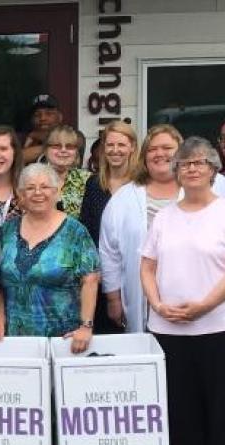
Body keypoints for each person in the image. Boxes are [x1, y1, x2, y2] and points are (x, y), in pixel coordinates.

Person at [140, 136, 225, 445]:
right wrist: (156, 304)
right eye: (184, 164)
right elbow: (147, 265)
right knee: (178, 404)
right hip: (167, 327)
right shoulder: (165, 217)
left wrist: (205, 305)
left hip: (215, 325)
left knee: (216, 403)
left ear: (213, 169)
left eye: (199, 163)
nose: (191, 169)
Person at [0, 163, 99, 352]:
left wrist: (86, 326)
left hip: (63, 339)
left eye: (44, 187)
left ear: (57, 192)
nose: (37, 193)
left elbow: (90, 279)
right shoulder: (7, 230)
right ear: (21, 195)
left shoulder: (75, 231)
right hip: (13, 338)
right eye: (30, 188)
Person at [99, 124, 183, 333]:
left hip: (197, 302)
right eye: (152, 149)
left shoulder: (209, 190)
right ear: (144, 156)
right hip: (140, 299)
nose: (159, 154)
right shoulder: (124, 198)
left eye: (167, 148)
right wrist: (113, 299)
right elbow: (109, 253)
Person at [79, 120, 139, 334]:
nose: (115, 150)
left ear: (132, 146)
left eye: (121, 145)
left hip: (137, 273)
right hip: (102, 277)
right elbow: (85, 231)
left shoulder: (141, 185)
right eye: (110, 145)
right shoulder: (94, 184)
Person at [43, 125, 91, 219]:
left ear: (76, 152)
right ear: (45, 150)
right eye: (57, 146)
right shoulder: (32, 177)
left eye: (69, 147)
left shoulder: (88, 180)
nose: (63, 150)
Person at [22, 93, 64, 163]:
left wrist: (42, 137)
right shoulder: (22, 138)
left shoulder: (73, 134)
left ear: (59, 117)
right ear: (31, 119)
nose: (43, 118)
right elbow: (16, 159)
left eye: (49, 114)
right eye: (37, 115)